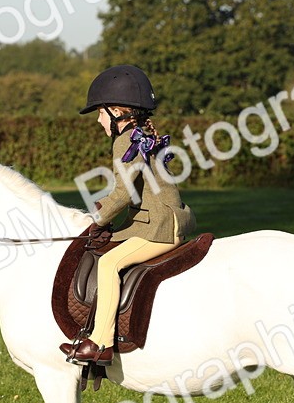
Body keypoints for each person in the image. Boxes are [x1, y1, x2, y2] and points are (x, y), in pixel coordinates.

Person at [59, 65, 195, 365]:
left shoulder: (126, 141)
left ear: (117, 111)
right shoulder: (141, 134)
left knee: (108, 264)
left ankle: (100, 343)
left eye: (100, 112)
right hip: (156, 220)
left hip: (159, 227)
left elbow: (122, 195)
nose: (97, 119)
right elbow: (129, 191)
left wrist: (98, 219)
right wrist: (105, 211)